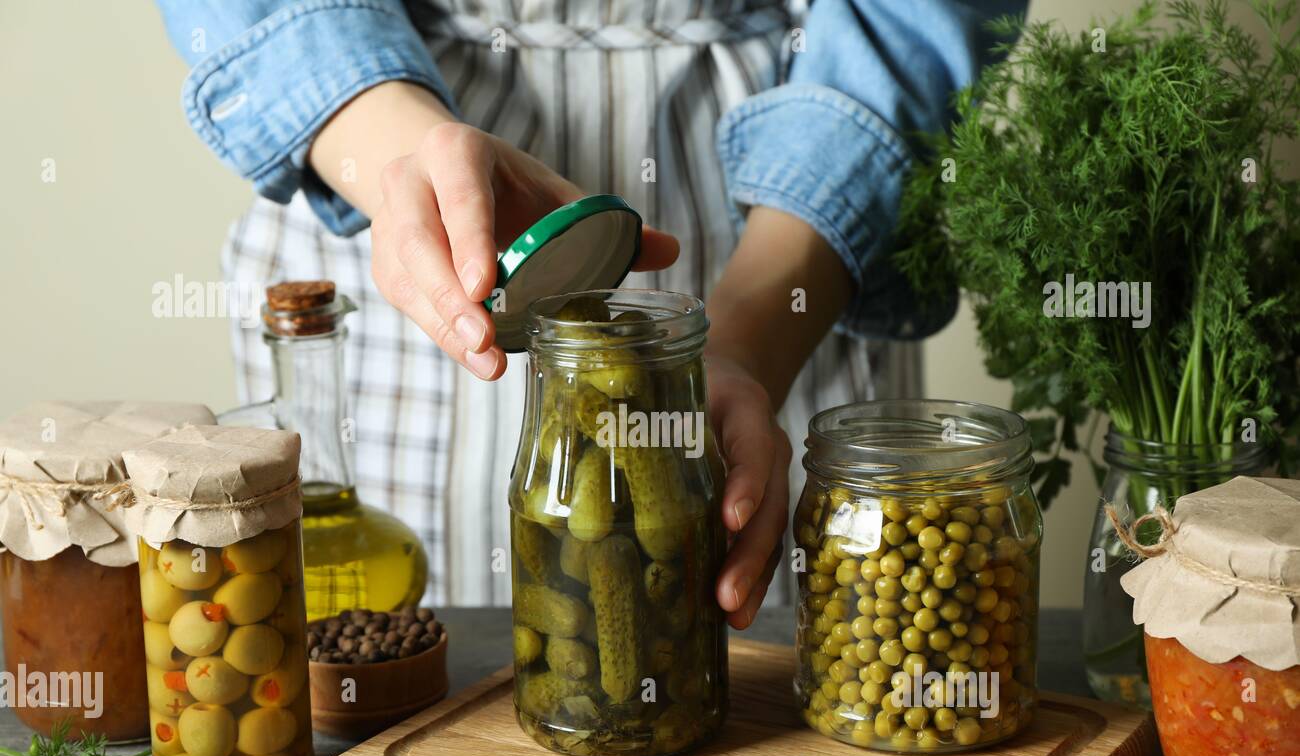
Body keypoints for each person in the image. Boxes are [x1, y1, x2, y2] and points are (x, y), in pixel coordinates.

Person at [156, 0, 1024, 625]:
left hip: (788, 205)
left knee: (741, 623)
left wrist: (748, 348)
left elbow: (911, 21)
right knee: (386, 653)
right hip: (378, 154)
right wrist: (401, 161)